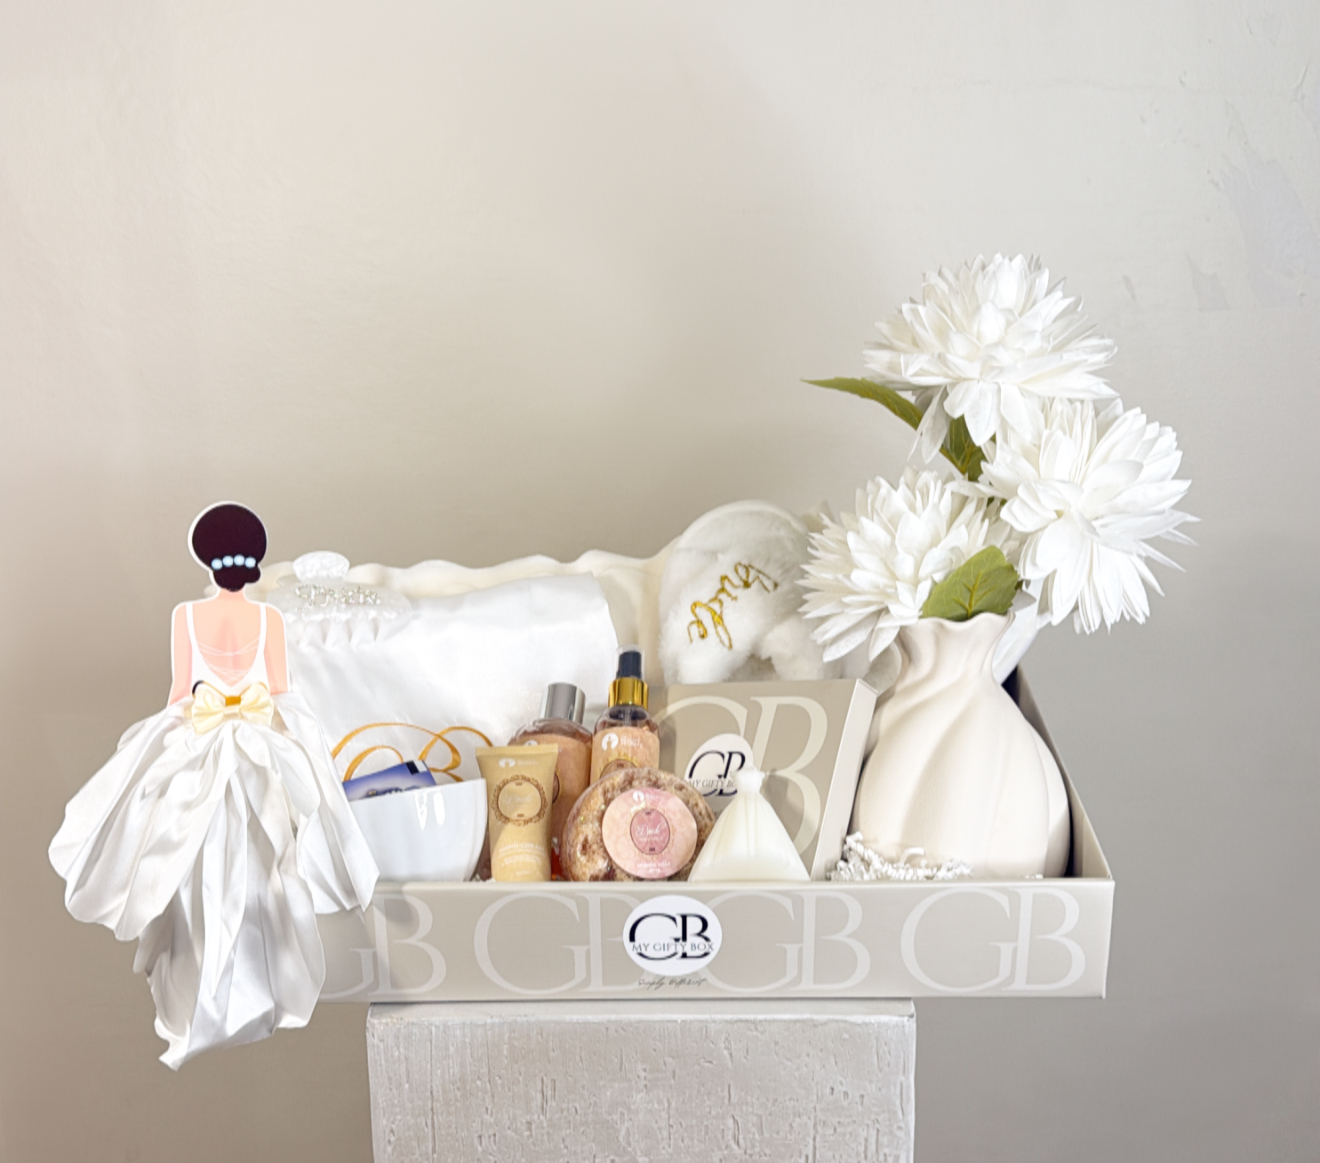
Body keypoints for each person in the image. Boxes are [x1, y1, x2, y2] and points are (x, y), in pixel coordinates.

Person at [49, 503, 378, 1068]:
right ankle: (259, 980)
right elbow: (281, 693)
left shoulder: (186, 616)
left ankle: (207, 988)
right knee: (267, 858)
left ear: (206, 557)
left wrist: (164, 749)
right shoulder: (269, 619)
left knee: (188, 855)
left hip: (201, 745)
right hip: (259, 748)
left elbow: (181, 694)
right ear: (254, 558)